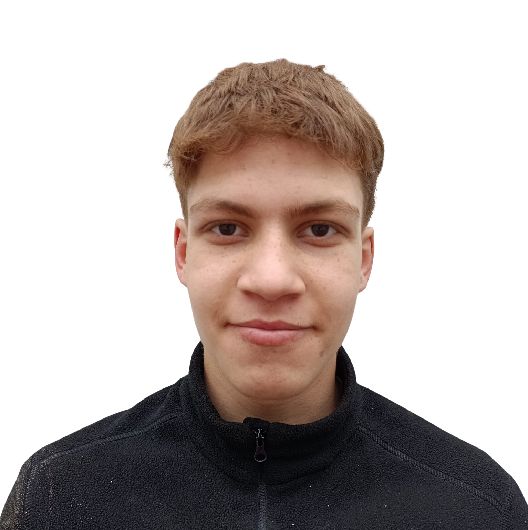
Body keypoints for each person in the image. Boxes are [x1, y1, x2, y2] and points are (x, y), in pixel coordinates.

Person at [1, 59, 526, 530]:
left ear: (364, 258)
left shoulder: (477, 507)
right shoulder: (60, 496)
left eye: (319, 229)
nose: (272, 280)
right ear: (183, 252)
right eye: (228, 228)